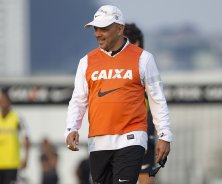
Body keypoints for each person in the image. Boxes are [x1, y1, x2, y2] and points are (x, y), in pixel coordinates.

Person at [65, 5, 173, 184]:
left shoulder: (143, 59)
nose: (98, 33)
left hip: (131, 138)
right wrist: (71, 128)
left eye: (104, 28)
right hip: (98, 141)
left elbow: (157, 99)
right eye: (96, 28)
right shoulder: (86, 62)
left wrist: (165, 135)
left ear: (120, 28)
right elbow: (78, 100)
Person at [124, 23, 156, 184]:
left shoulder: (144, 64)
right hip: (120, 128)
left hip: (142, 125)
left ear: (135, 43)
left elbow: (157, 100)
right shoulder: (115, 66)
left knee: (145, 175)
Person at [0, 90, 30, 184]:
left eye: (5, 101)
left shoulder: (16, 117)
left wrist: (26, 158)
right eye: (1, 101)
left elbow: (26, 137)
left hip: (11, 163)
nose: (3, 103)